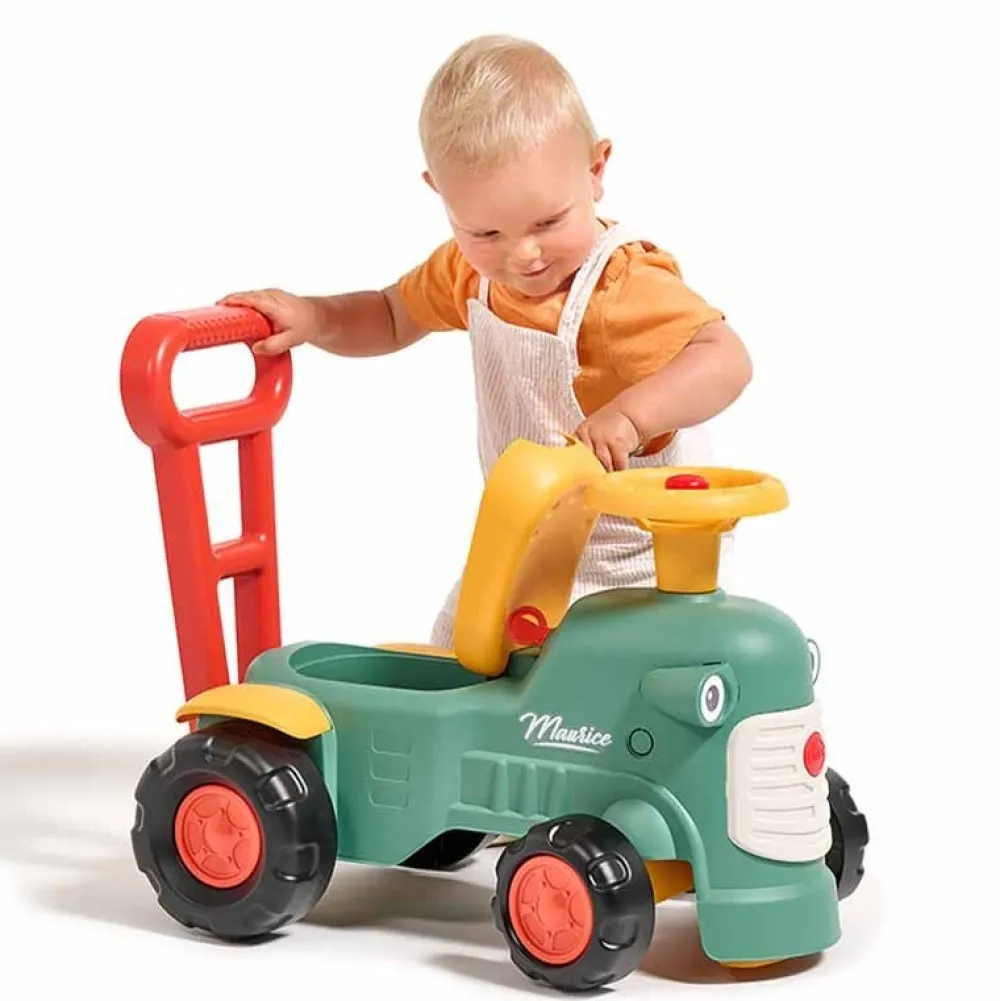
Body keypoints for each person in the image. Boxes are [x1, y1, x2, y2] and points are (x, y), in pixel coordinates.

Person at [219, 34, 752, 650]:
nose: (522, 255)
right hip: (522, 540)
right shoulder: (468, 274)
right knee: (461, 650)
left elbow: (725, 358)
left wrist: (631, 418)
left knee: (582, 683)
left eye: (548, 222)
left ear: (596, 170)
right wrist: (315, 317)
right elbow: (390, 316)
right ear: (440, 193)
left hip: (628, 565)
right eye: (486, 232)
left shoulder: (620, 287)